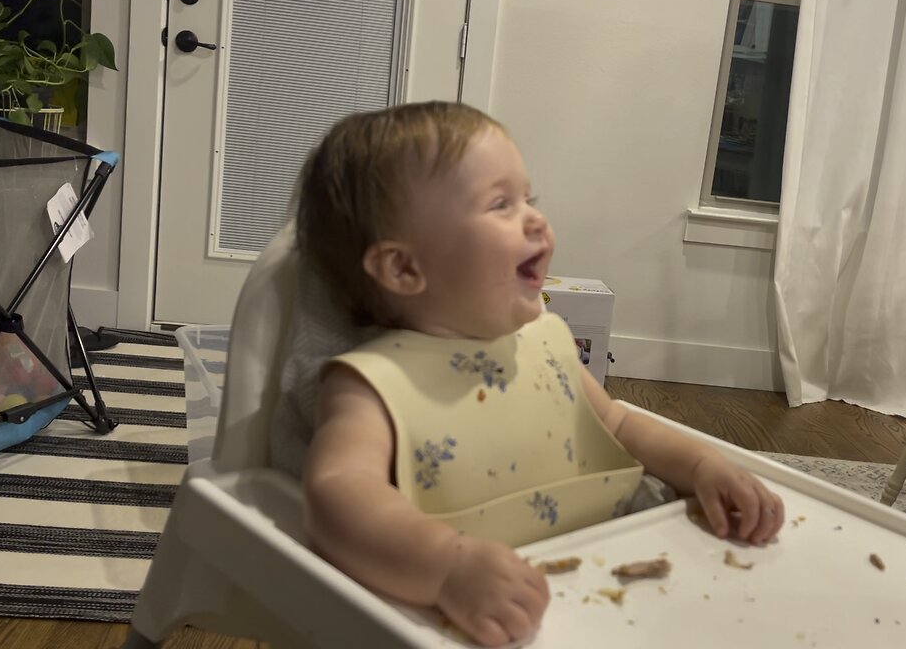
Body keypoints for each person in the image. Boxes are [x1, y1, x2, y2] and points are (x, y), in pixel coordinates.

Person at [295, 102, 785, 647]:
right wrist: (445, 568)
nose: (535, 219)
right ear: (405, 268)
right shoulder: (373, 382)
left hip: (619, 570)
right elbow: (338, 491)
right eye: (501, 204)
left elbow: (618, 426)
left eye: (530, 199)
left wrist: (702, 466)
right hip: (483, 612)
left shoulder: (547, 341)